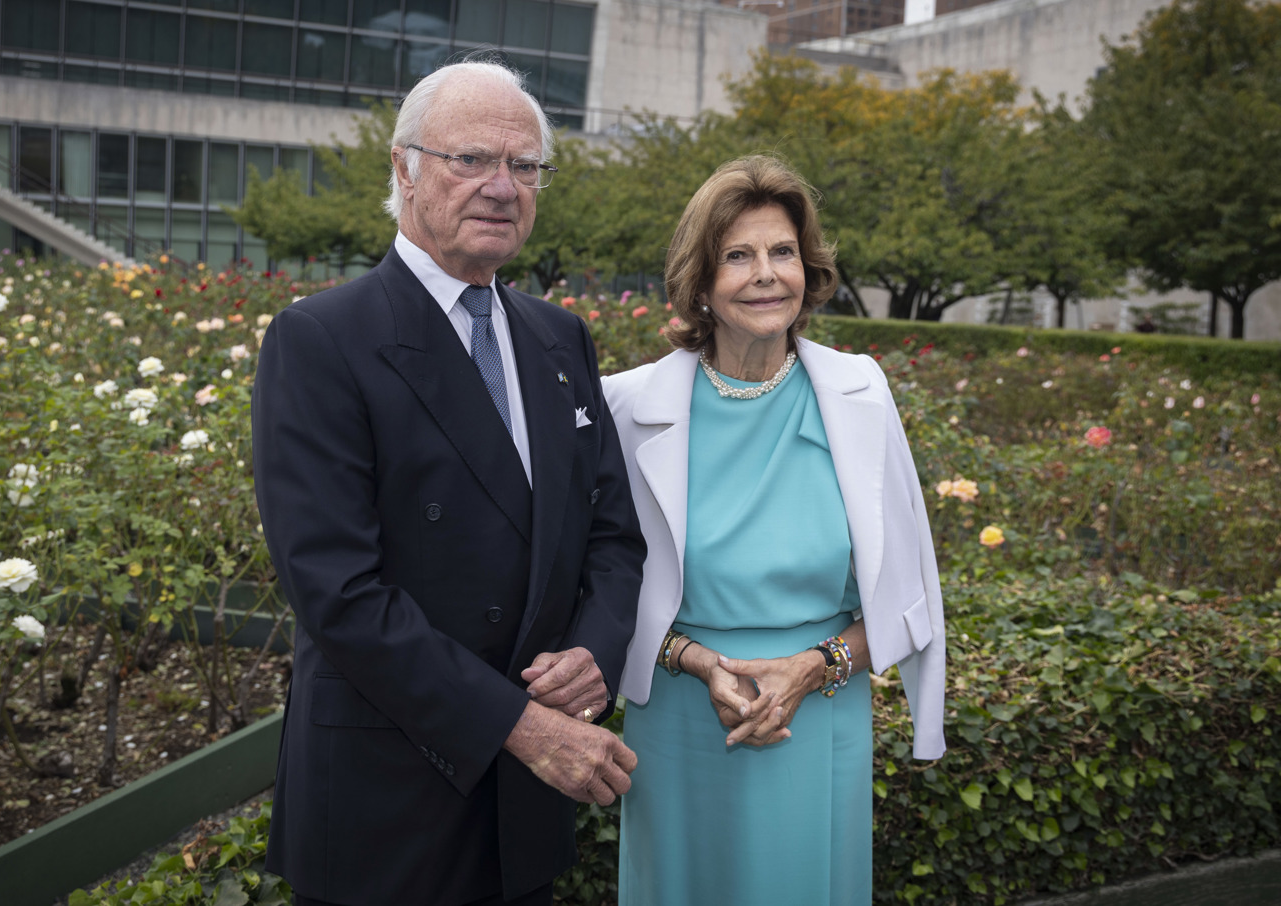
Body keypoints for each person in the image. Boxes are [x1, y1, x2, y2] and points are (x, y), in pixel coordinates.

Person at [251, 60, 646, 906]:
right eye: (471, 159)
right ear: (404, 167)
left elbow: (613, 536)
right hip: (387, 805)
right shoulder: (321, 339)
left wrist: (596, 654)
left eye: (524, 165)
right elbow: (337, 592)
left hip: (525, 812)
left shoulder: (560, 339)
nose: (502, 187)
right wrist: (521, 725)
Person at [603, 156, 947, 905]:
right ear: (699, 283)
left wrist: (813, 667)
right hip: (681, 718)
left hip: (820, 717)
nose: (766, 274)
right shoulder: (625, 407)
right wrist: (697, 661)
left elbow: (905, 595)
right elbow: (600, 585)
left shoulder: (860, 393)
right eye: (738, 255)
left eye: (783, 251)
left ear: (807, 268)